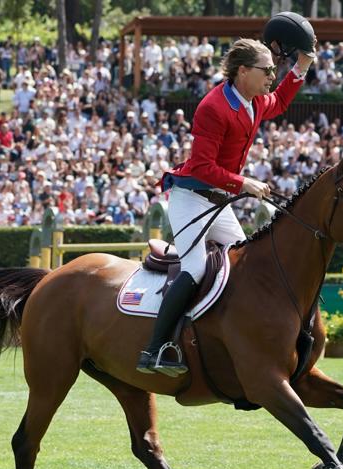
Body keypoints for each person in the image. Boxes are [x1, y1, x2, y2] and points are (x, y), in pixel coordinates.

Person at [136, 30, 317, 377]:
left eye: (273, 70)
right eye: (266, 70)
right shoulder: (213, 106)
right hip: (190, 199)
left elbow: (279, 102)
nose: (272, 76)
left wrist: (302, 66)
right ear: (243, 71)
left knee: (244, 265)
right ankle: (155, 348)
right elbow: (203, 166)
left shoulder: (253, 100)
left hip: (219, 202)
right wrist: (243, 183)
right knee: (197, 268)